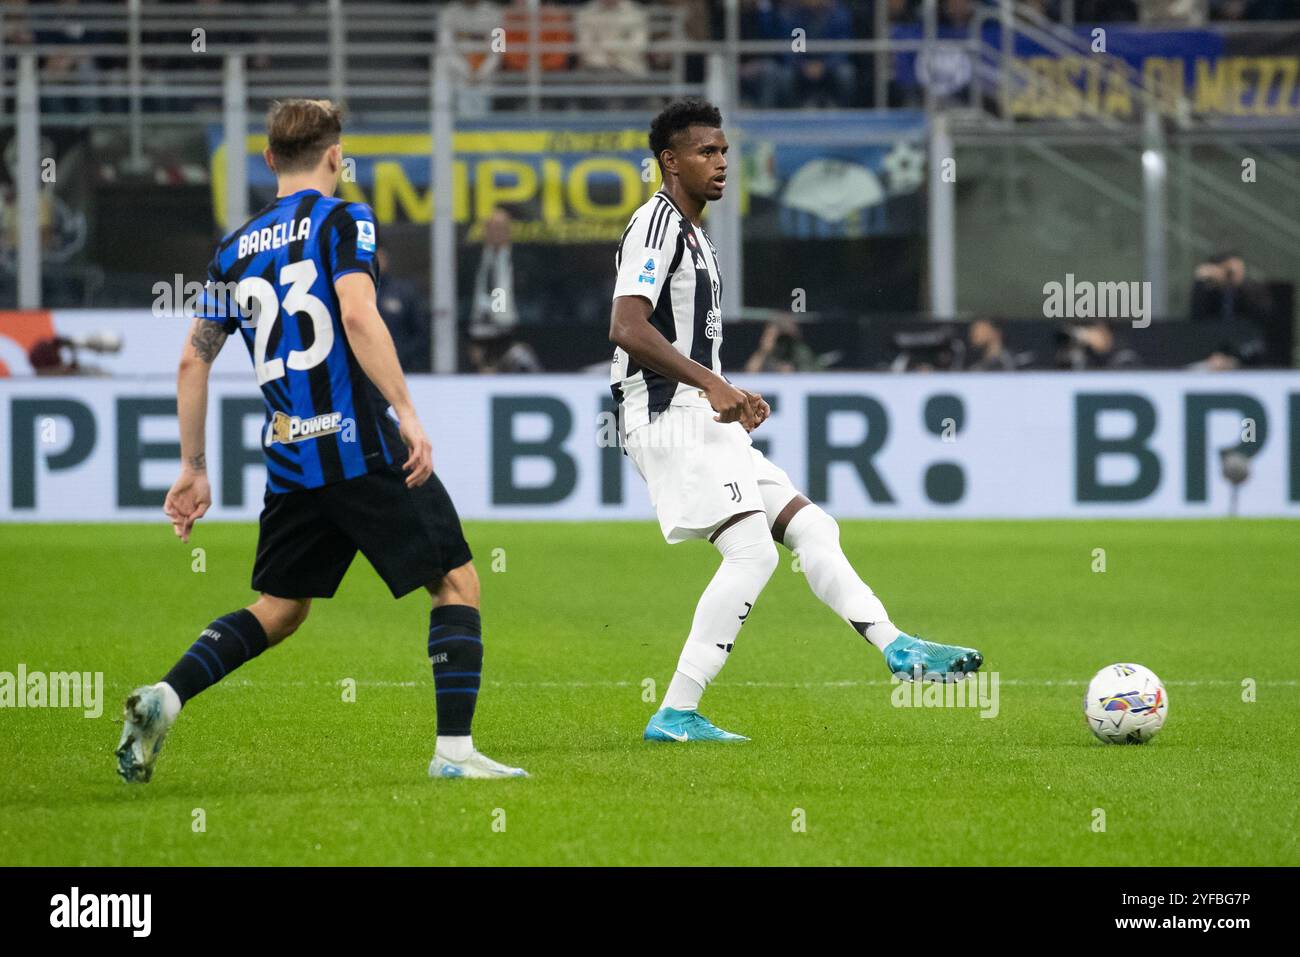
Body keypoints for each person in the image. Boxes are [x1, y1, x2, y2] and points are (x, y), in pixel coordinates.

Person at [115, 99, 527, 783]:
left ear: (269, 159)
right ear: (337, 157)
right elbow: (359, 312)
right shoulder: (345, 219)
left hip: (290, 456)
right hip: (359, 442)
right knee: (457, 582)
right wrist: (408, 413)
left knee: (280, 608)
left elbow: (194, 360)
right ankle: (455, 754)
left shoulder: (231, 250)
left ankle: (167, 695)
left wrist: (192, 468)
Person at [608, 98, 983, 743]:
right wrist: (711, 385)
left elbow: (683, 338)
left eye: (725, 151)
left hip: (697, 408)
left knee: (811, 526)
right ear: (669, 162)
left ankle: (898, 648)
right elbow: (626, 325)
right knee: (752, 554)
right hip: (667, 413)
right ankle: (675, 711)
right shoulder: (658, 225)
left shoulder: (694, 231)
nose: (721, 163)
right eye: (706, 152)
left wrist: (728, 390)